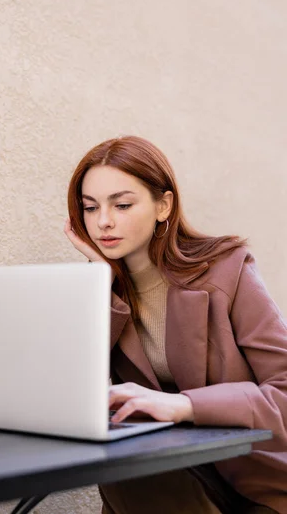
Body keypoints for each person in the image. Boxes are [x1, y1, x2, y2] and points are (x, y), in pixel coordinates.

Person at [64, 136, 287, 514]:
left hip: (256, 483)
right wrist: (101, 285)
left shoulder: (227, 269)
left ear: (163, 206)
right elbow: (69, 394)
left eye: (122, 204)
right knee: (132, 472)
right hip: (167, 480)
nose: (103, 221)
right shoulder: (102, 290)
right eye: (90, 207)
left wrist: (184, 405)